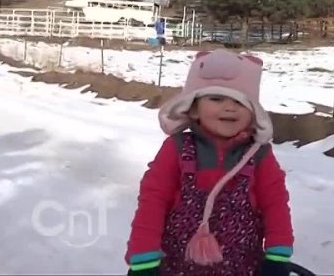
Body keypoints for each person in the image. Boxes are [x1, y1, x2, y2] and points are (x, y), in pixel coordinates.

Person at [124, 49, 294, 275]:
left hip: (243, 268)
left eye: (240, 101)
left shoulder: (259, 155)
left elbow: (276, 204)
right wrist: (143, 257)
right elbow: (153, 201)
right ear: (193, 108)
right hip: (175, 268)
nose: (229, 107)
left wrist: (277, 255)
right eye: (216, 98)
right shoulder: (176, 149)